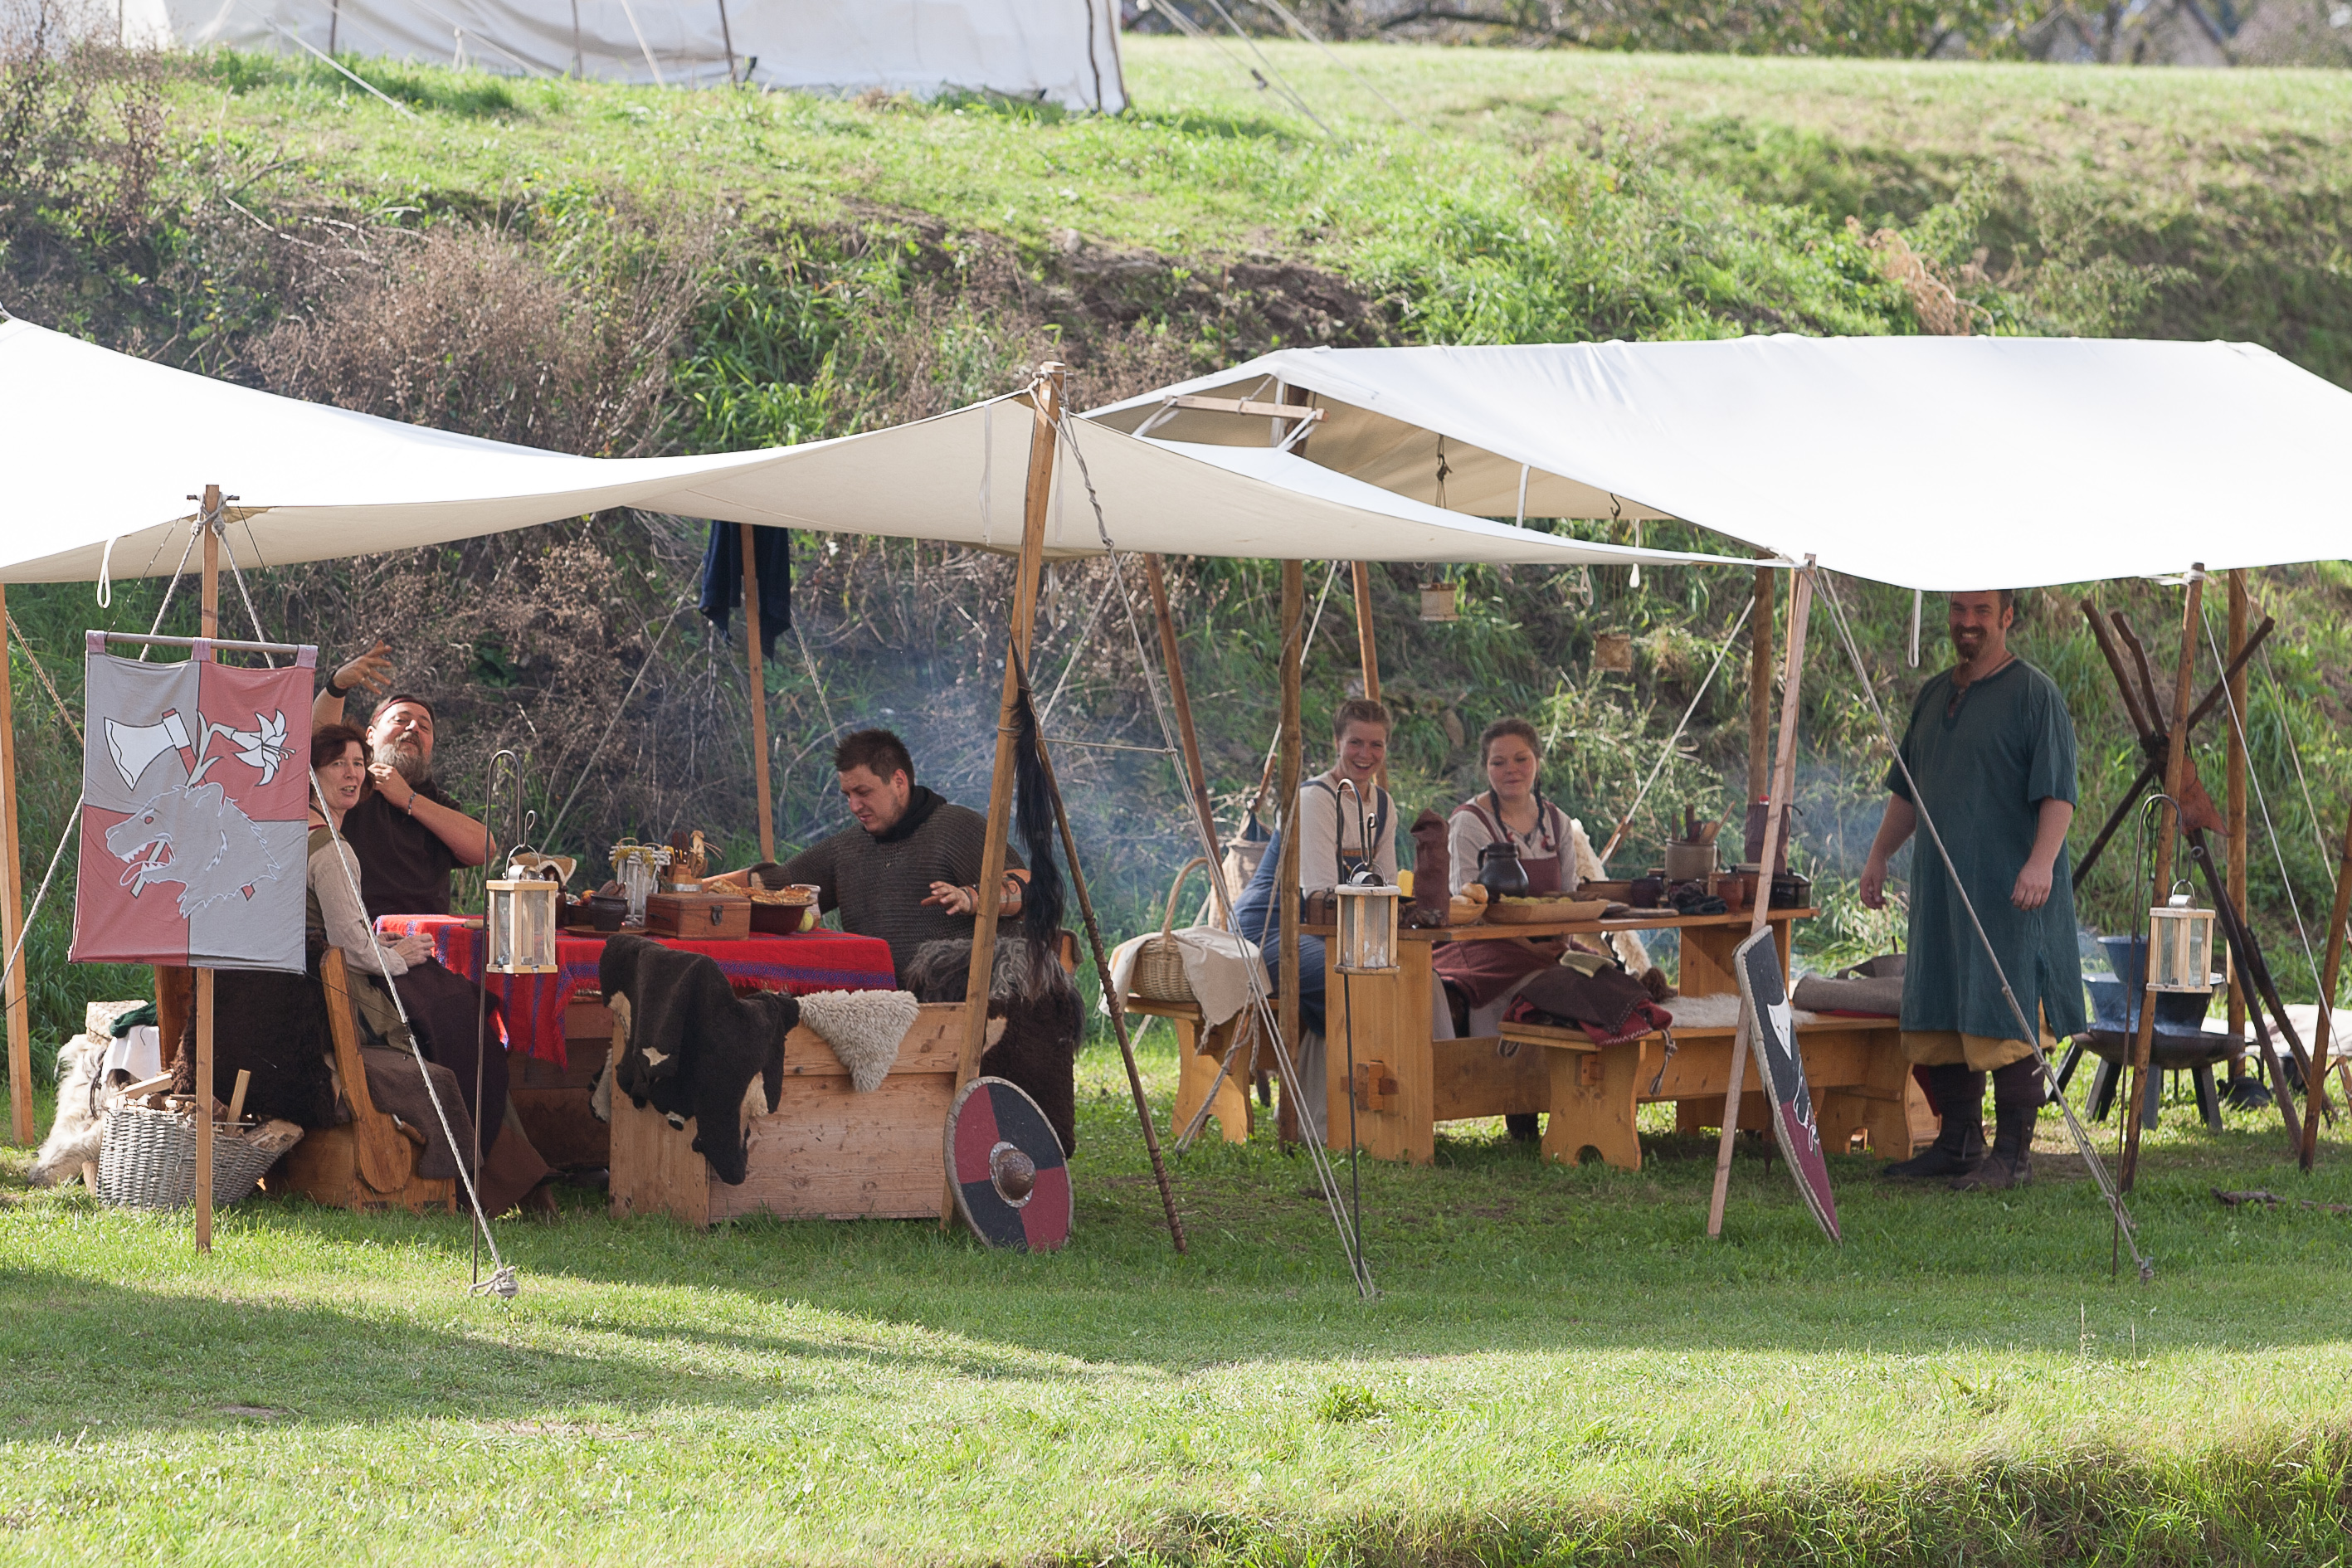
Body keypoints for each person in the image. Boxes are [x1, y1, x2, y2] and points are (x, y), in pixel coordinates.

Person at [1859, 589, 2087, 1191]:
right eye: (1959, 610)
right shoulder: (1935, 694)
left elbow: (2059, 793)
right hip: (1942, 892)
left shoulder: (2034, 696)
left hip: (2008, 891)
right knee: (1943, 1007)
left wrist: (2040, 864)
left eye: (1982, 612)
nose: (1968, 623)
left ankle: (2013, 1157)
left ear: (2006, 617)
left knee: (2007, 1015)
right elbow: (1909, 790)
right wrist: (1879, 854)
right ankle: (1958, 1143)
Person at [310, 723, 553, 1216]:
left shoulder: (411, 807)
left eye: (356, 764)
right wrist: (397, 956)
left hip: (347, 971)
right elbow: (350, 951)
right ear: (312, 775)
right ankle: (496, 1180)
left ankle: (515, 1176)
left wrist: (409, 800)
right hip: (343, 995)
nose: (351, 774)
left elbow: (484, 846)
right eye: (338, 765)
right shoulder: (330, 847)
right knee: (458, 1025)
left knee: (462, 1018)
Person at [1228, 697, 1398, 1139]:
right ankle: (1318, 1118)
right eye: (1356, 742)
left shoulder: (1382, 805)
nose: (1365, 754)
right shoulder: (1314, 799)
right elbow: (1322, 895)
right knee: (1345, 974)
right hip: (1270, 929)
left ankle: (1388, 1106)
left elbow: (1386, 885)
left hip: (1329, 930)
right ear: (1337, 742)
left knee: (1405, 974)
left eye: (1376, 745)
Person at [772, 728, 1027, 981]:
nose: (854, 806)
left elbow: (1032, 893)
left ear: (899, 782)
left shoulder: (957, 827)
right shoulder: (845, 848)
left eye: (863, 792)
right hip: (877, 999)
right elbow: (775, 889)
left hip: (961, 998)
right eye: (848, 795)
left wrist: (971, 898)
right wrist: (748, 884)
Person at [1435, 717, 1581, 1142]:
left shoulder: (1556, 822)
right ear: (1486, 768)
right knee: (1520, 983)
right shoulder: (1469, 822)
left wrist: (1561, 944)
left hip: (1548, 945)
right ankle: (1513, 1104)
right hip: (1483, 945)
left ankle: (1569, 1100)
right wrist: (1531, 949)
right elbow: (1468, 904)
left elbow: (1570, 897)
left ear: (1538, 761)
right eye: (1498, 762)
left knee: (1589, 978)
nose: (1511, 770)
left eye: (1521, 759)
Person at [314, 640, 496, 918]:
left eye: (424, 726)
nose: (413, 727)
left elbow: (484, 849)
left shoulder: (435, 801)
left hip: (429, 937)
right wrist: (337, 687)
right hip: (362, 934)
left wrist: (409, 800)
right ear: (370, 736)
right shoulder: (350, 784)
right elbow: (318, 745)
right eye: (401, 720)